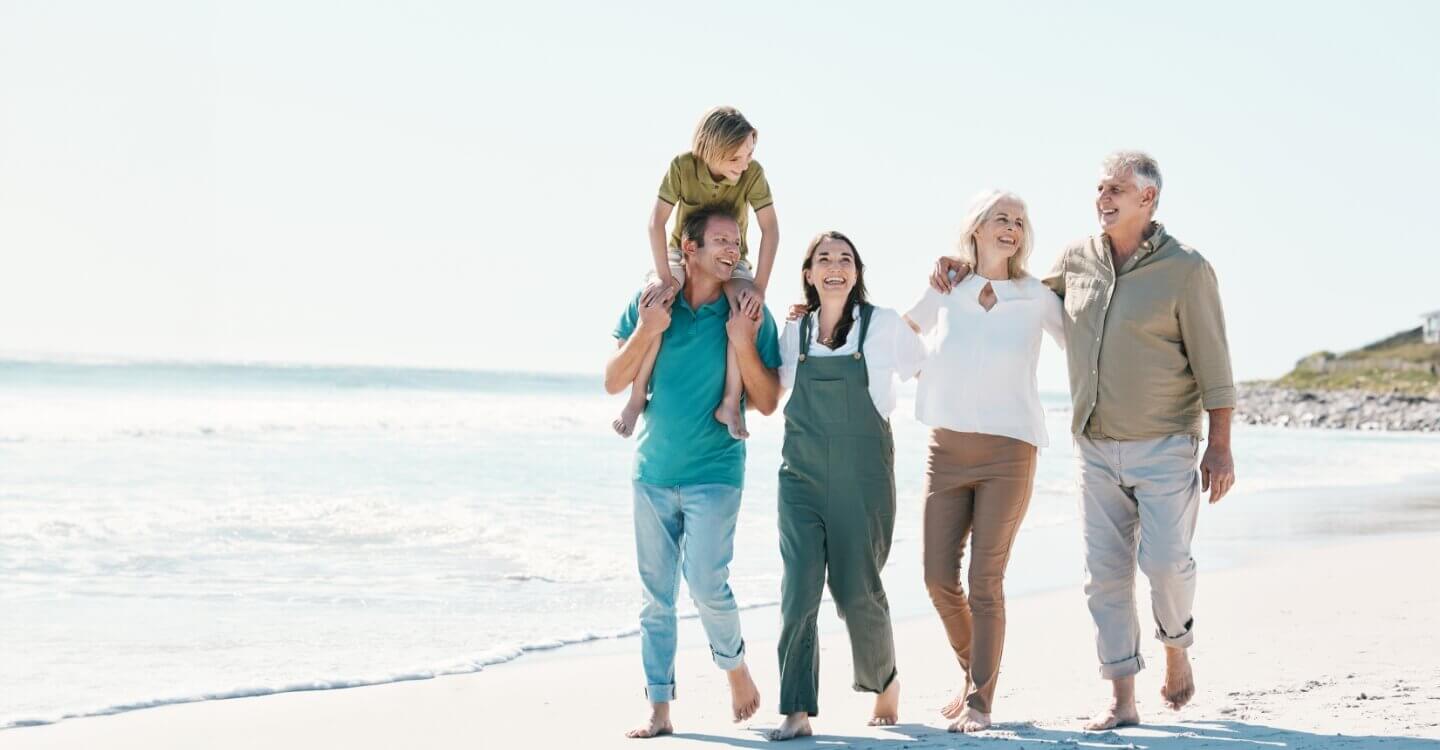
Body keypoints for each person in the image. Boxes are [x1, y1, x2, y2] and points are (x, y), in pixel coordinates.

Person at [932, 152, 1237, 730]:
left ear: (1147, 199)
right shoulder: (1076, 260)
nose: (1103, 197)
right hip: (1093, 448)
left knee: (1168, 565)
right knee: (1106, 576)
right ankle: (1122, 700)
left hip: (1166, 445)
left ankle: (1176, 645)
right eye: (1099, 187)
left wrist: (1219, 445)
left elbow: (1215, 365)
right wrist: (963, 266)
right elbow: (1012, 290)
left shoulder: (1187, 269)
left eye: (1116, 189)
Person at [604, 206, 783, 739]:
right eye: (721, 241)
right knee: (655, 598)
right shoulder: (653, 301)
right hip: (652, 471)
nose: (733, 249)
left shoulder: (748, 308)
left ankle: (735, 668)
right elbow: (614, 380)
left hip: (716, 472)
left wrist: (743, 340)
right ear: (690, 249)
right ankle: (659, 707)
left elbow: (770, 401)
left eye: (737, 241)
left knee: (707, 583)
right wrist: (648, 330)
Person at [906, 190, 1064, 733]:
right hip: (945, 450)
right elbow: (899, 335)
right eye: (1002, 218)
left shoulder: (1037, 295)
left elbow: (1087, 347)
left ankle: (980, 700)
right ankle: (975, 670)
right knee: (935, 578)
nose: (1012, 228)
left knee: (985, 579)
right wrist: (814, 315)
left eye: (1020, 221)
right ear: (976, 227)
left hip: (1009, 450)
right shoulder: (947, 287)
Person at [767, 232, 925, 741]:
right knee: (798, 595)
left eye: (845, 259)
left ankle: (885, 680)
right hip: (801, 480)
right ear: (809, 274)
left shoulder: (884, 326)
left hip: (864, 481)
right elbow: (770, 391)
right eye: (823, 259)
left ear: (857, 272)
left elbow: (927, 367)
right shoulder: (795, 331)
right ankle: (796, 709)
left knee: (857, 593)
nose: (835, 265)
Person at [613, 105, 780, 441]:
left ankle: (731, 401)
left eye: (749, 154)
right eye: (736, 158)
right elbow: (656, 222)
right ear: (712, 150)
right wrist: (664, 277)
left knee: (744, 310)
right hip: (680, 252)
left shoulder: (753, 174)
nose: (744, 164)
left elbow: (770, 230)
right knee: (659, 304)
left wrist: (758, 288)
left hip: (733, 258)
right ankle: (636, 397)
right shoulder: (682, 167)